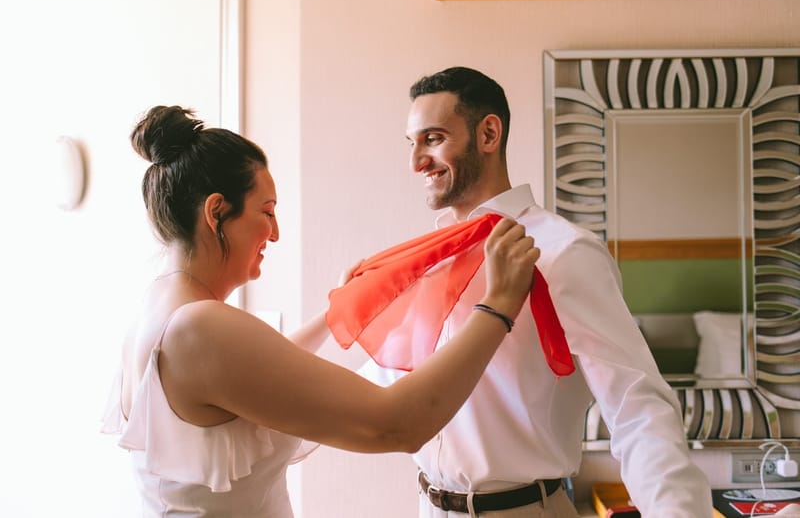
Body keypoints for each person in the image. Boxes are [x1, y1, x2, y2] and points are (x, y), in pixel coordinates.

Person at [100, 105, 541, 517]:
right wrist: (497, 306)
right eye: (266, 212)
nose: (274, 234)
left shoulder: (158, 307)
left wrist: (334, 312)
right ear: (217, 212)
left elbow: (255, 373)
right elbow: (396, 425)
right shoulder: (200, 327)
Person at [358, 67, 714, 517]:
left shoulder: (564, 252)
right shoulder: (432, 259)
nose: (416, 162)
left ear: (488, 133)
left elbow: (635, 404)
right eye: (413, 143)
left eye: (432, 139)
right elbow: (385, 386)